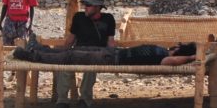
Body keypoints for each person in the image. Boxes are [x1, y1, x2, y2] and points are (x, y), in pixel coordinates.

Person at [54, 0, 116, 108]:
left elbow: (111, 41)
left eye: (88, 5)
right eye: (85, 5)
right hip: (79, 51)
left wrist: (112, 56)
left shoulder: (108, 19)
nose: (85, 8)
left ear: (97, 7)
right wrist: (62, 54)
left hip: (97, 53)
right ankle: (62, 100)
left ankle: (85, 100)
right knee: (64, 65)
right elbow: (70, 39)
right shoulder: (78, 17)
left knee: (91, 67)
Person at [13, 42, 198, 66]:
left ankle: (32, 56)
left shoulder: (164, 58)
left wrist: (191, 57)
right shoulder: (162, 50)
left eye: (179, 45)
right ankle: (38, 48)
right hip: (111, 52)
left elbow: (173, 61)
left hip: (111, 59)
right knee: (73, 50)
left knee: (70, 57)